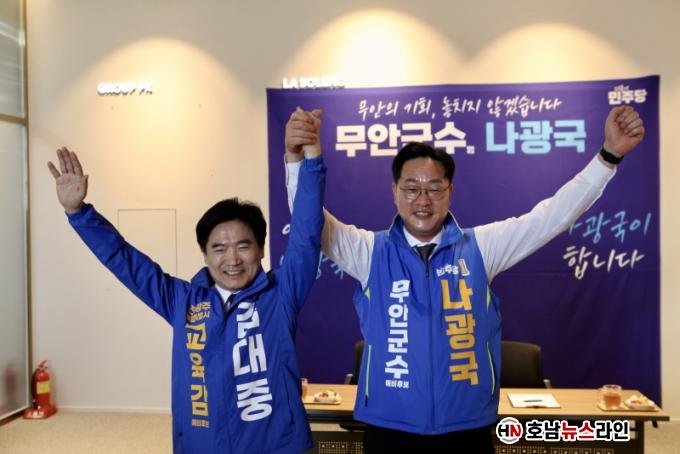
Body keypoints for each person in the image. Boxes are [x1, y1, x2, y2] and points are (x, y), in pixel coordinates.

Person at [284, 106, 644, 453]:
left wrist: (608, 156)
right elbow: (308, 221)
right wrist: (298, 158)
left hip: (467, 429)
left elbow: (550, 217)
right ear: (394, 192)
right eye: (411, 187)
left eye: (434, 187)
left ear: (450, 192)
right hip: (389, 428)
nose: (423, 199)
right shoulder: (369, 252)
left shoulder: (481, 248)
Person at [48, 118, 325, 454]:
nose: (232, 259)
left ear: (261, 249)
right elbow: (124, 260)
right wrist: (78, 212)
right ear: (205, 255)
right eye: (219, 248)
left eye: (243, 245)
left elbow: (306, 235)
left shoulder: (281, 295)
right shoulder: (183, 301)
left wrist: (310, 159)